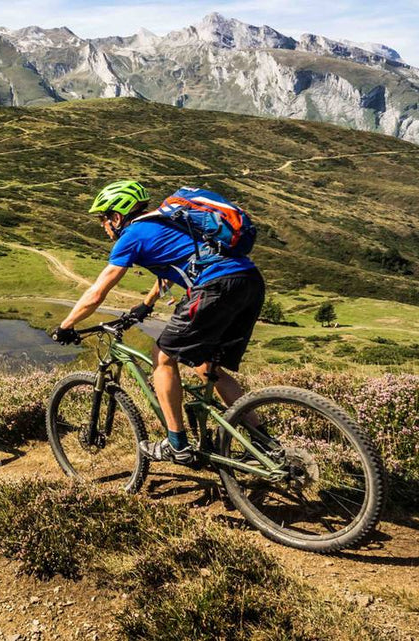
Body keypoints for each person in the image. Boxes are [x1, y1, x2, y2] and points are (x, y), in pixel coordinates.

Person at [52, 180, 265, 464]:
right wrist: (146, 304)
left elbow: (98, 292)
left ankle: (177, 445)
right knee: (207, 366)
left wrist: (66, 326)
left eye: (103, 219)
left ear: (117, 217)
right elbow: (169, 268)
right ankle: (265, 443)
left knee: (162, 357)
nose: (103, 226)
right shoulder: (167, 222)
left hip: (215, 287)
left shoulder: (133, 235)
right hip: (249, 282)